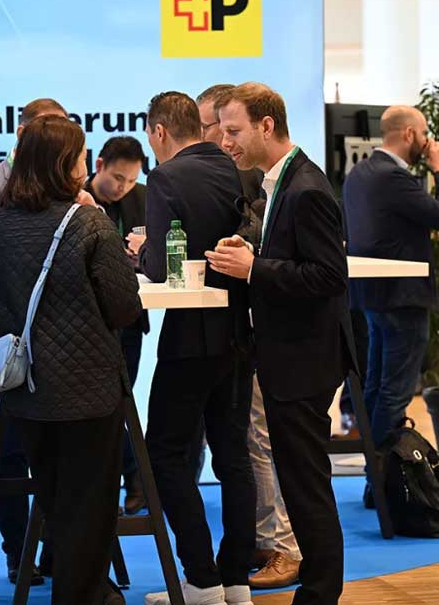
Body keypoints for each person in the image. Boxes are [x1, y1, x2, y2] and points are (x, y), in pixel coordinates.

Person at [0, 114, 141, 605]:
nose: (87, 165)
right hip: (88, 391)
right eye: (83, 156)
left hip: (26, 391)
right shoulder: (88, 221)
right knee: (90, 506)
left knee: (53, 497)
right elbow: (124, 306)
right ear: (66, 163)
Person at [207, 82, 347, 605]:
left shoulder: (306, 187)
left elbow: (328, 276)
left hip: (305, 359)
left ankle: (319, 593)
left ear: (267, 126)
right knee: (301, 479)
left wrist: (255, 268)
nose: (226, 142)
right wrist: (253, 248)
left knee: (306, 484)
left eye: (235, 130)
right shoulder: (282, 182)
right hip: (291, 354)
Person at [139, 91, 255, 605]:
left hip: (189, 338)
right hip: (238, 333)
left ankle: (202, 580)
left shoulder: (165, 178)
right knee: (233, 457)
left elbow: (163, 268)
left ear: (160, 132)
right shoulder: (235, 170)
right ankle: (235, 580)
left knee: (164, 451)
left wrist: (140, 249)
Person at [0, 97, 70, 583]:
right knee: (9, 451)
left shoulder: (75, 191)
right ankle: (15, 549)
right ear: (24, 132)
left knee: (67, 454)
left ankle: (58, 550)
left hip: (69, 343)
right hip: (10, 341)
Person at [197, 82, 297, 587]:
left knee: (258, 438)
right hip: (245, 328)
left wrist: (245, 257)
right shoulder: (241, 176)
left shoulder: (266, 180)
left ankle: (283, 545)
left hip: (267, 331)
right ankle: (269, 541)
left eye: (218, 127)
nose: (216, 138)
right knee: (250, 438)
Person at [343, 106, 439, 502]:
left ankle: (376, 480)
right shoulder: (394, 177)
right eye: (425, 133)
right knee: (394, 392)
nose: (428, 142)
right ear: (409, 134)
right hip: (403, 297)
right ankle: (383, 484)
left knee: (377, 386)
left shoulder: (359, 174)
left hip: (373, 297)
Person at [85, 135, 151, 515]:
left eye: (130, 180)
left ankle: (133, 478)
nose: (123, 187)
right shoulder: (77, 199)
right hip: (90, 324)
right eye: (117, 178)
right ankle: (133, 475)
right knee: (103, 408)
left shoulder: (143, 199)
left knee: (122, 403)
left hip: (129, 319)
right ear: (99, 167)